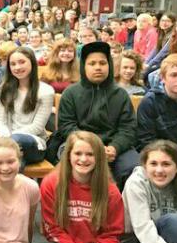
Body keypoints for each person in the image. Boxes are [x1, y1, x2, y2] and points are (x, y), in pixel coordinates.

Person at [33, 131, 156, 243]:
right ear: (68, 155)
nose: (83, 159)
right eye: (78, 153)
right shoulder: (51, 183)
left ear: (98, 157)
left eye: (90, 154)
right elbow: (53, 231)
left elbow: (111, 234)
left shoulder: (110, 190)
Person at [47, 42, 139, 191]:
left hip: (113, 146)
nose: (98, 67)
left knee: (133, 168)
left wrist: (115, 147)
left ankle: (118, 209)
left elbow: (128, 128)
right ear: (84, 66)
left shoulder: (120, 95)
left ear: (109, 65)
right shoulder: (71, 93)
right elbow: (67, 126)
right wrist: (93, 147)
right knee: (72, 164)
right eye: (92, 63)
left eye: (102, 63)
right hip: (78, 143)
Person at [136, 54, 177, 178]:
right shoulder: (149, 102)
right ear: (163, 78)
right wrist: (176, 165)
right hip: (156, 156)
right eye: (174, 75)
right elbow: (146, 141)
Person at [0, 47, 54, 168]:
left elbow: (37, 127)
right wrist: (7, 139)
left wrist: (10, 139)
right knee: (13, 162)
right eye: (13, 64)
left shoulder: (45, 91)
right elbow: (0, 122)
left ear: (32, 62)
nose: (17, 67)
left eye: (22, 62)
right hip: (8, 144)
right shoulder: (3, 89)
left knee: (13, 147)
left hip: (35, 143)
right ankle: (6, 186)